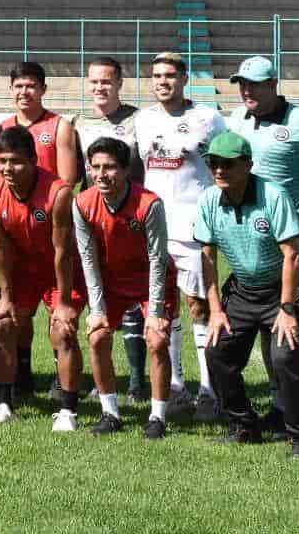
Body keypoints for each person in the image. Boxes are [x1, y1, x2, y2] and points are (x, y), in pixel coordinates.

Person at [196, 132, 299, 457]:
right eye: (214, 163)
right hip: (243, 291)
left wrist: (287, 308)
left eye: (228, 164)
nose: (219, 170)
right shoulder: (209, 200)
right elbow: (207, 257)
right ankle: (244, 425)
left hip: (285, 289)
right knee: (217, 353)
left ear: (248, 165)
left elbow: (292, 255)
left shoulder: (273, 195)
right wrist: (216, 310)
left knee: (284, 356)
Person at [228, 54, 299, 431]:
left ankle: (293, 412)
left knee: (288, 327)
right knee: (259, 326)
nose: (246, 90)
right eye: (241, 83)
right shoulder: (235, 121)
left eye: (254, 84)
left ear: (274, 85)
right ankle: (278, 402)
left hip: (291, 241)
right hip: (248, 240)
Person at [134, 51, 226, 419]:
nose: (162, 81)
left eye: (170, 74)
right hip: (155, 228)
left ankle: (208, 389)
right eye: (156, 75)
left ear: (184, 78)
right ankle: (175, 386)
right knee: (162, 305)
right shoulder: (143, 120)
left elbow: (225, 163)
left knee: (199, 306)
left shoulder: (207, 118)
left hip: (194, 226)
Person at [0, 125, 84, 429]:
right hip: (21, 270)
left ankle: (67, 410)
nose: (8, 168)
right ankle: (6, 404)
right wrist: (6, 296)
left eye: (17, 161)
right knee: (4, 324)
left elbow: (62, 250)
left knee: (62, 331)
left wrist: (63, 303)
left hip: (59, 271)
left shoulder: (59, 192)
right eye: (3, 160)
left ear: (35, 159)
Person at [73, 137, 175, 439]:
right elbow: (87, 257)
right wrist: (98, 309)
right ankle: (111, 413)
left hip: (151, 280)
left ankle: (158, 416)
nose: (102, 174)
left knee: (156, 340)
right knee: (97, 336)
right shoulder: (82, 203)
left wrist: (155, 311)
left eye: (110, 168)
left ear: (126, 170)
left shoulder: (149, 204)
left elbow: (158, 259)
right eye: (96, 167)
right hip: (112, 281)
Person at [0, 61, 81, 397]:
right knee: (17, 312)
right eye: (18, 86)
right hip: (16, 232)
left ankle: (59, 378)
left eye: (31, 86)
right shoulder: (2, 128)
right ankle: (22, 373)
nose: (24, 92)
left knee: (59, 312)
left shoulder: (59, 126)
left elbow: (68, 179)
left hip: (50, 225)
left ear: (43, 89)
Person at [72, 56, 150, 401]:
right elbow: (76, 175)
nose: (100, 88)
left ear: (119, 83)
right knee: (98, 292)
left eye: (106, 81)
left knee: (133, 298)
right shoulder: (78, 123)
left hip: (132, 220)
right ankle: (103, 380)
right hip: (95, 221)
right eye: (94, 82)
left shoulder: (138, 120)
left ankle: (136, 380)